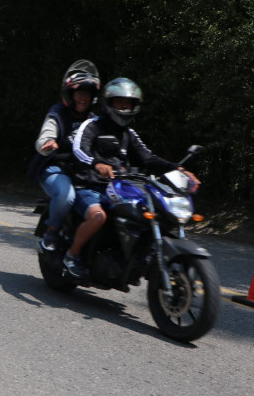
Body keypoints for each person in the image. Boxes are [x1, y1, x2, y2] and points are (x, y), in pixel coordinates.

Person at [65, 77, 201, 278]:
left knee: (148, 213)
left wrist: (178, 169)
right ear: (109, 103)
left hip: (121, 187)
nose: (124, 107)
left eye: (128, 104)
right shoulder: (92, 125)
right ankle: (72, 255)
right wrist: (97, 164)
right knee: (98, 216)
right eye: (120, 103)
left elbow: (148, 158)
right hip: (90, 185)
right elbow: (79, 148)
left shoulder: (129, 133)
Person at [30, 61, 100, 252]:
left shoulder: (95, 121)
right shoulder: (57, 114)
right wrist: (48, 144)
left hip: (83, 173)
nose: (83, 98)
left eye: (87, 93)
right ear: (70, 94)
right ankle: (51, 233)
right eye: (79, 93)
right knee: (66, 196)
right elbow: (45, 136)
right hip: (55, 168)